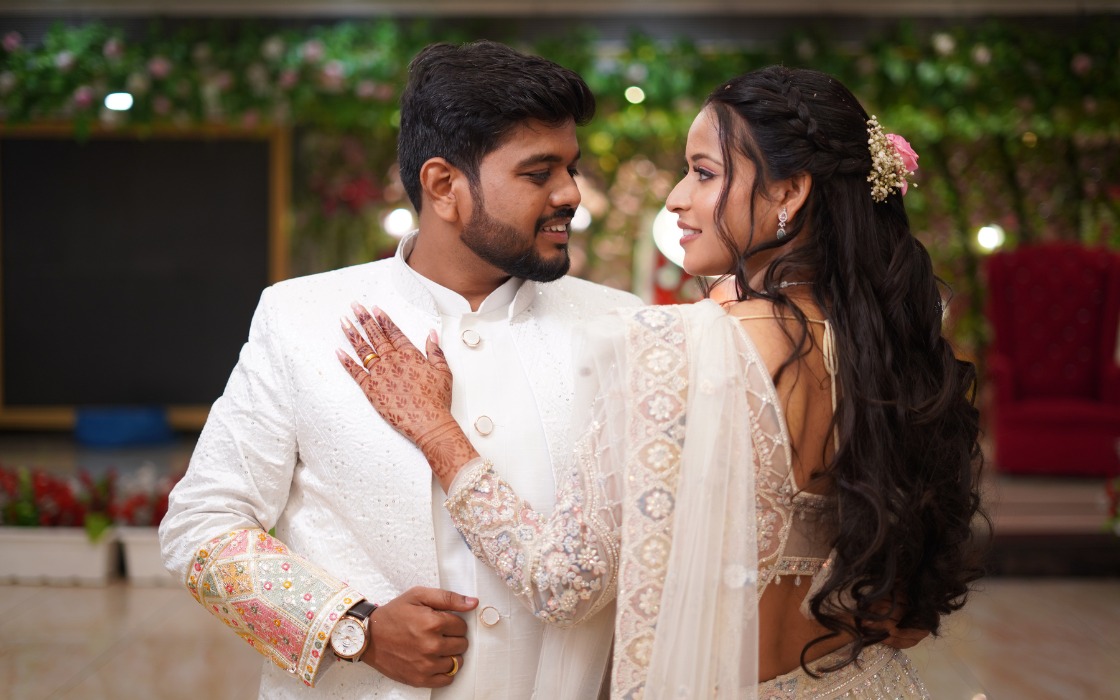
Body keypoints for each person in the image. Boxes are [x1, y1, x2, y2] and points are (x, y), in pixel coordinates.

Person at [340, 65, 985, 698]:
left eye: (704, 172)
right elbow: (901, 619)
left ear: (789, 194)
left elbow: (563, 583)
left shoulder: (682, 348)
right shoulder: (887, 346)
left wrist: (436, 431)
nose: (676, 197)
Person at [159, 40, 641, 699]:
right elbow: (202, 524)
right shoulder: (303, 316)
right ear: (444, 186)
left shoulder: (624, 328)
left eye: (571, 167)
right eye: (539, 173)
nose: (571, 194)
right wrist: (353, 629)